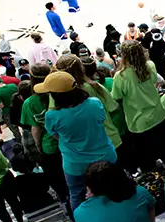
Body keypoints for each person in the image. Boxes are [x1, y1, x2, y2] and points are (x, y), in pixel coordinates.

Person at [36, 70, 117, 212]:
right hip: (105, 157)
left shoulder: (52, 116)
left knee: (77, 195)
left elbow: (56, 135)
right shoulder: (94, 103)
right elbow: (101, 120)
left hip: (76, 165)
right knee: (114, 187)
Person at [111, 40, 165, 172]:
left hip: (138, 122)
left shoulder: (120, 76)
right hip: (158, 114)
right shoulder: (150, 66)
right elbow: (155, 80)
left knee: (146, 155)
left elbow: (115, 97)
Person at [20, 63, 68, 203]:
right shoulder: (60, 92)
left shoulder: (29, 103)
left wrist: (38, 145)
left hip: (49, 146)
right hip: (69, 138)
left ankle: (67, 204)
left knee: (59, 180)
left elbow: (35, 128)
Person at [55, 54, 123, 155]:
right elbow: (112, 107)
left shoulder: (57, 95)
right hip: (106, 136)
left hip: (84, 146)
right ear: (80, 68)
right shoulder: (92, 87)